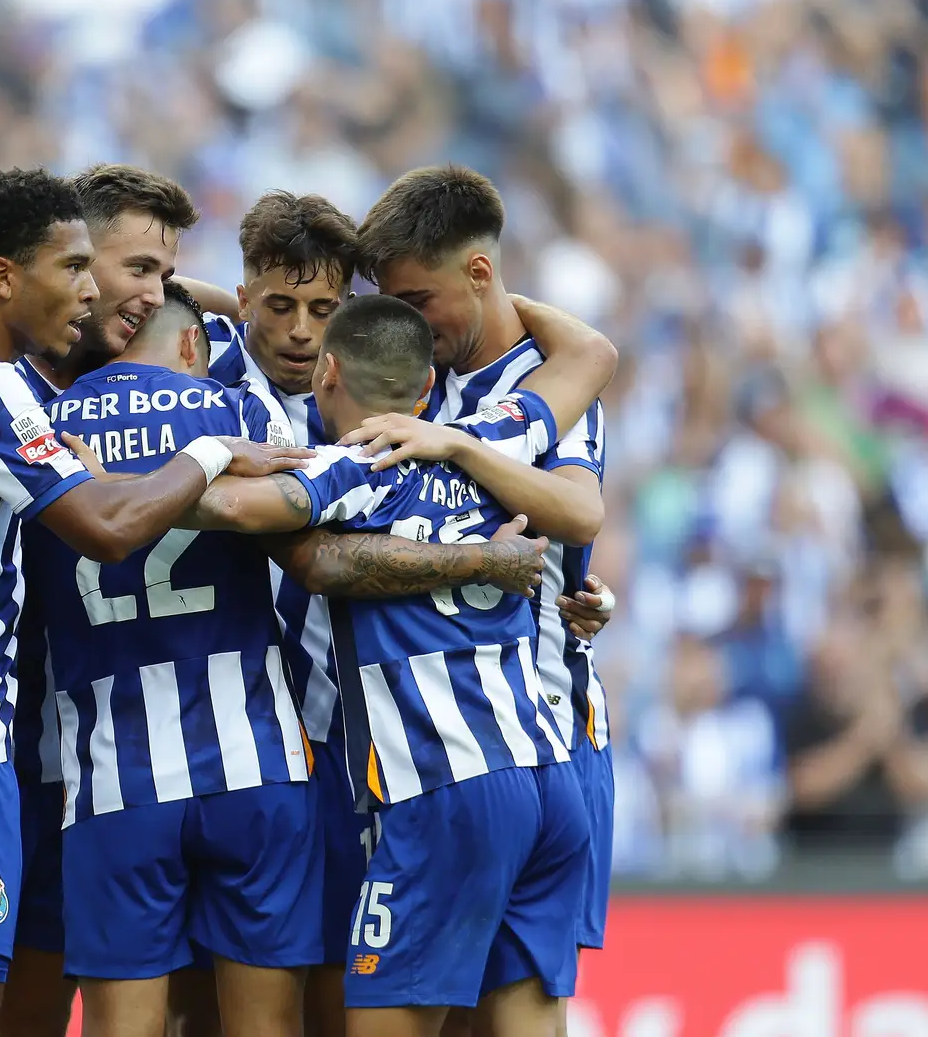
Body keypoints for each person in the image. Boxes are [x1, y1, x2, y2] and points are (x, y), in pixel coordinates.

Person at [0, 166, 315, 1037]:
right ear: (17, 272)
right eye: (123, 268)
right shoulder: (3, 383)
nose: (150, 294)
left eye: (167, 276)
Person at [179, 293, 618, 1037]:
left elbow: (227, 509)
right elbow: (593, 355)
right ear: (425, 390)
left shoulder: (353, 466)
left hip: (445, 787)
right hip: (549, 777)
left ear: (327, 372)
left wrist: (179, 463)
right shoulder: (488, 443)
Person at [27, 281, 320, 1037]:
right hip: (255, 760)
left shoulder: (42, 426)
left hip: (112, 775)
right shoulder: (237, 413)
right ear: (193, 344)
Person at [355, 165, 617, 983]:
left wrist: (464, 447)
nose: (408, 323)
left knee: (517, 999)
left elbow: (578, 511)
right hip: (437, 749)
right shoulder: (414, 383)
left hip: (548, 730)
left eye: (419, 300)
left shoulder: (552, 382)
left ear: (478, 271)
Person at [195, 189, 366, 1037]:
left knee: (335, 984)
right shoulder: (203, 385)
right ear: (243, 299)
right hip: (232, 737)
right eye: (279, 306)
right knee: (205, 1001)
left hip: (335, 735)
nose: (301, 330)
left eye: (323, 310)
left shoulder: (374, 387)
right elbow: (132, 286)